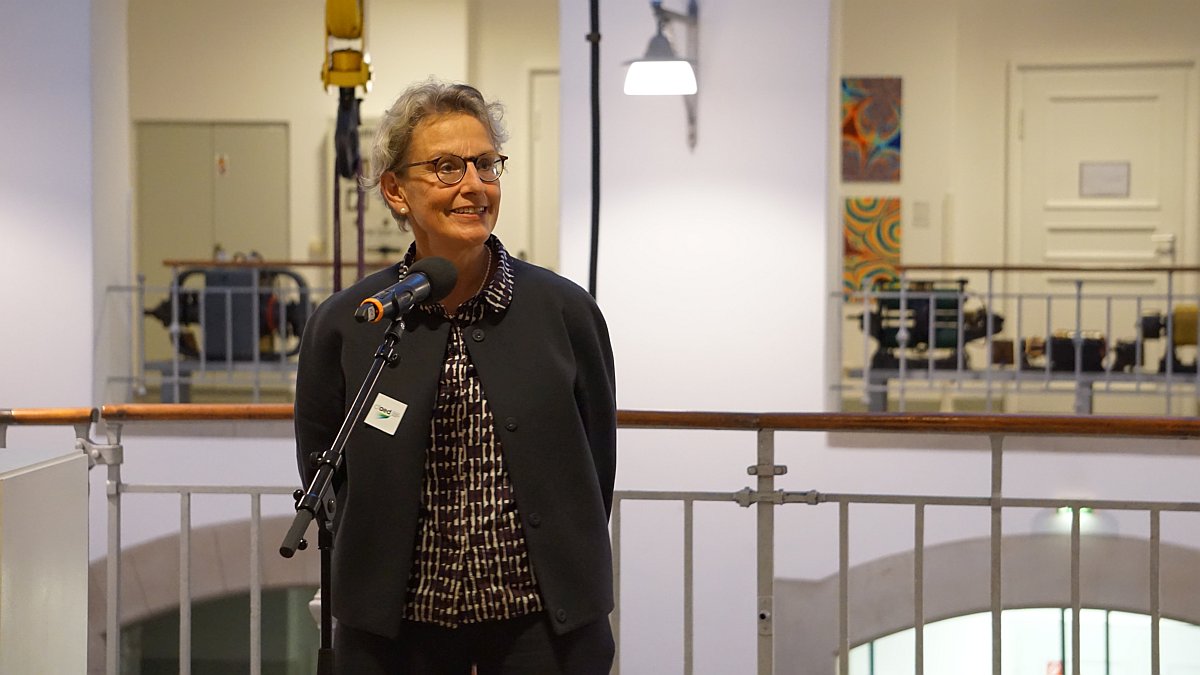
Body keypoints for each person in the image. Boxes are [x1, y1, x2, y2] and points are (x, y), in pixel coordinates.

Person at [293, 79, 617, 674]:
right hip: (396, 635)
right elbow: (324, 466)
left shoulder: (566, 313)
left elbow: (595, 466)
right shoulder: (351, 323)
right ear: (396, 191)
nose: (474, 185)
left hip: (542, 629)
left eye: (486, 165)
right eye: (446, 167)